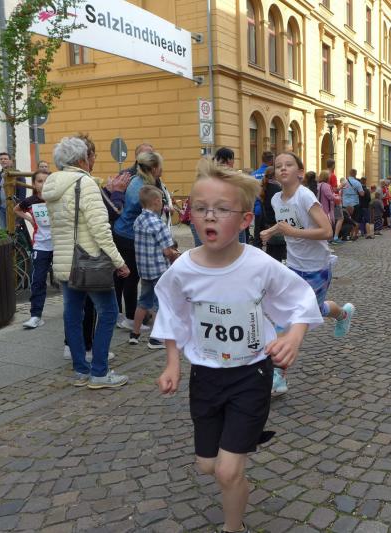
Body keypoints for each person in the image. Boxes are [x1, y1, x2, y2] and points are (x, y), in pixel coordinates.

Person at [153, 157, 322, 533]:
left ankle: (234, 527)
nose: (209, 216)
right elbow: (171, 313)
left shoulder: (259, 265)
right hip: (206, 376)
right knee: (207, 466)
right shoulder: (183, 269)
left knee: (228, 471)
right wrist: (172, 362)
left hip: (251, 374)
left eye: (221, 209)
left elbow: (301, 298)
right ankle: (240, 444)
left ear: (245, 220)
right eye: (200, 208)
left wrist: (293, 336)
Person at [260, 152, 356, 394]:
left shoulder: (305, 196)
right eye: (278, 166)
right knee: (304, 312)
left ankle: (278, 375)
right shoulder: (276, 199)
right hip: (293, 267)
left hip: (317, 268)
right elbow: (286, 224)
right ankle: (343, 314)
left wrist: (292, 233)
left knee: (295, 318)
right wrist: (272, 231)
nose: (283, 168)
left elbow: (326, 231)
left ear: (300, 172)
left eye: (288, 165)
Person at [42, 137, 130, 389]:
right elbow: (100, 229)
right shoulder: (85, 183)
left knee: (72, 313)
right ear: (81, 159)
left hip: (64, 261)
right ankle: (100, 372)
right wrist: (119, 261)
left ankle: (81, 370)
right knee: (109, 312)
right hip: (89, 261)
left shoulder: (52, 185)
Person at [113, 151, 167, 331]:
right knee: (131, 277)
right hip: (128, 235)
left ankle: (124, 314)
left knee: (123, 276)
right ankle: (130, 318)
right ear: (153, 168)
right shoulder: (143, 187)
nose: (162, 170)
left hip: (122, 231)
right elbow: (146, 212)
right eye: (160, 167)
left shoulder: (137, 180)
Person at [130, 185, 179, 349]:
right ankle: (156, 339)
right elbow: (167, 251)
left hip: (144, 270)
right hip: (159, 270)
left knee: (143, 301)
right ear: (157, 201)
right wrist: (176, 256)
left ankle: (134, 334)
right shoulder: (159, 224)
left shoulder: (139, 220)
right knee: (161, 304)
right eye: (162, 200)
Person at [15, 170, 52, 329]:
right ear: (34, 184)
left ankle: (74, 311)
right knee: (38, 280)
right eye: (39, 181)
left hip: (60, 245)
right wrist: (29, 218)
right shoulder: (30, 201)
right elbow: (16, 209)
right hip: (41, 245)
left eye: (46, 181)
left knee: (67, 279)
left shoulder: (56, 198)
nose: (43, 184)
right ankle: (36, 316)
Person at [0, 152, 25, 230]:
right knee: (3, 232)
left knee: (15, 232)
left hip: (14, 209)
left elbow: (22, 194)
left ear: (11, 161)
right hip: (2, 209)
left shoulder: (18, 174)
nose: (3, 160)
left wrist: (20, 209)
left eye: (5, 159)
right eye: (1, 159)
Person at [260, 166, 286, 262]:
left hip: (268, 222)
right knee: (277, 255)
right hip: (276, 224)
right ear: (275, 175)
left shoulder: (265, 186)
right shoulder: (277, 188)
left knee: (271, 252)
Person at [341, 169, 364, 241]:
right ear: (355, 174)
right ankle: (353, 235)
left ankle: (346, 235)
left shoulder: (344, 182)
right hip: (354, 203)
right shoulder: (357, 183)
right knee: (355, 220)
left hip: (345, 203)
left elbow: (340, 192)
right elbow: (362, 194)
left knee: (346, 220)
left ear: (349, 173)